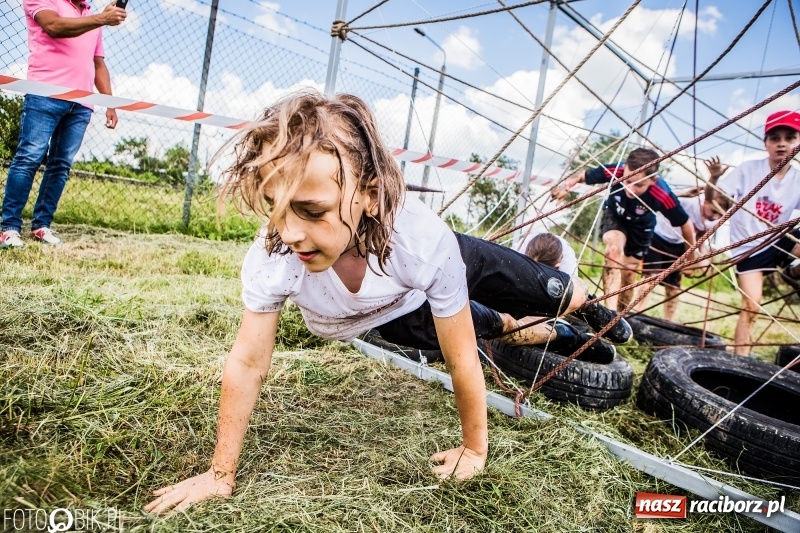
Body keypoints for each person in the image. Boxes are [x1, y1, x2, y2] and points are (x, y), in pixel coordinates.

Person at [143, 92, 632, 514]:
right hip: (398, 311)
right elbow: (249, 362)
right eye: (277, 207)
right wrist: (219, 474)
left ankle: (584, 306)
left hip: (433, 264)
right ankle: (558, 332)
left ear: (371, 196)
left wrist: (473, 450)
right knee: (493, 326)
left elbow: (461, 361)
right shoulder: (275, 256)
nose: (289, 232)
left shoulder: (422, 241)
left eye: (312, 210)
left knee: (543, 287)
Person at [0, 0, 126, 248]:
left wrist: (110, 103)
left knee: (60, 166)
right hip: (44, 94)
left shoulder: (91, 15)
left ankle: (41, 225)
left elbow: (98, 63)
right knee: (29, 157)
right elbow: (54, 26)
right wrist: (102, 18)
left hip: (81, 104)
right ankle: (8, 228)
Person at [551, 148, 697, 312]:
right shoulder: (616, 170)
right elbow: (582, 175)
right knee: (613, 252)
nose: (630, 189)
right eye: (627, 181)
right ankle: (610, 313)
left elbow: (686, 224)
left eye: (639, 185)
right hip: (615, 216)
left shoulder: (662, 193)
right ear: (625, 168)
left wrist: (690, 259)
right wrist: (565, 186)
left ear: (653, 180)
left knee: (628, 274)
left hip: (641, 228)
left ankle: (621, 314)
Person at [703, 110, 800, 356]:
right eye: (775, 138)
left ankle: (793, 271)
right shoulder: (748, 170)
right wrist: (713, 179)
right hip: (749, 248)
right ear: (765, 143)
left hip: (779, 240)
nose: (782, 144)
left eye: (790, 138)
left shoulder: (798, 179)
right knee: (752, 306)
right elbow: (713, 205)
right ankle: (740, 360)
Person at [636, 182, 719, 322]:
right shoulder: (689, 203)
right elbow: (665, 200)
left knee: (673, 287)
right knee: (650, 279)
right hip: (658, 236)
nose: (715, 216)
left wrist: (701, 259)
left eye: (720, 214)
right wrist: (684, 193)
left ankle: (669, 321)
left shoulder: (714, 221)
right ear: (705, 202)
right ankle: (636, 312)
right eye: (713, 211)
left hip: (679, 244)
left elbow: (699, 238)